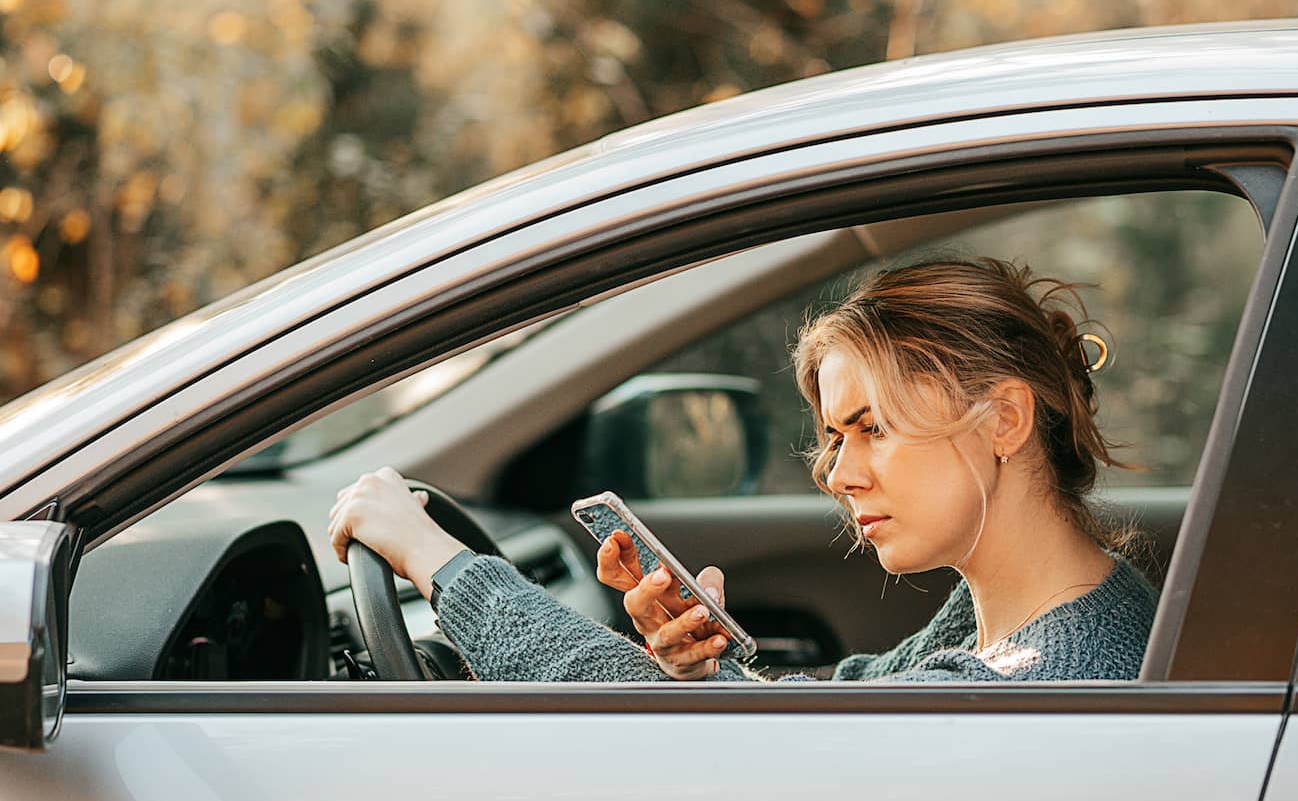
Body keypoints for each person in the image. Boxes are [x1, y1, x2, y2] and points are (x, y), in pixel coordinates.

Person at [327, 258, 1158, 683]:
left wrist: (437, 562)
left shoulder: (1033, 678)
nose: (839, 473)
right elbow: (838, 712)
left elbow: (665, 747)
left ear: (1006, 418)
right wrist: (705, 674)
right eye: (835, 436)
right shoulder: (1047, 610)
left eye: (872, 428)